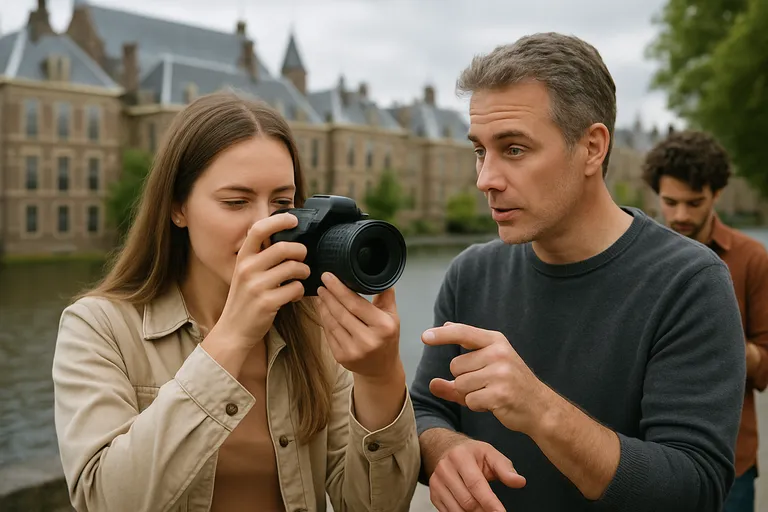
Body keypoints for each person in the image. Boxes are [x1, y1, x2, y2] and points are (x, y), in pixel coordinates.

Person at [410, 32, 746, 512]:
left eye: (514, 149)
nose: (485, 179)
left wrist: (541, 410)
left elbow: (694, 488)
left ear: (592, 147)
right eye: (480, 150)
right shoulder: (471, 273)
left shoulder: (691, 282)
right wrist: (446, 450)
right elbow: (426, 411)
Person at [51, 91, 420, 512]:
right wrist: (230, 339)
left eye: (282, 203)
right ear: (177, 208)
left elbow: (376, 507)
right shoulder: (98, 327)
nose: (264, 224)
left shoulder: (314, 326)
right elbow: (103, 500)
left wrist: (379, 378)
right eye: (236, 202)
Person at [642, 129, 768, 512]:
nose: (681, 215)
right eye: (670, 202)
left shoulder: (752, 258)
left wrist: (719, 339)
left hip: (730, 463)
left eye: (694, 203)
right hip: (647, 459)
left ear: (717, 194)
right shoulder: (638, 257)